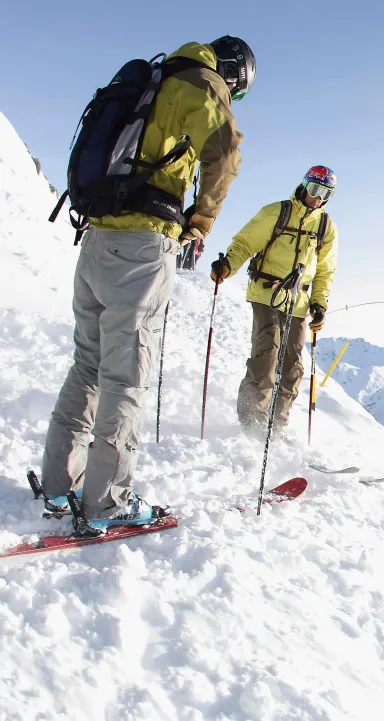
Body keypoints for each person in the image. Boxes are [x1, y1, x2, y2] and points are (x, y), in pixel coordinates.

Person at [40, 36, 253, 536]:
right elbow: (224, 154)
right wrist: (199, 222)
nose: (231, 96)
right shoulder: (202, 84)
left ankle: (57, 484)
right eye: (237, 90)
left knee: (88, 364)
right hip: (140, 246)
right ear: (233, 73)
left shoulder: (150, 80)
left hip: (95, 240)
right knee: (126, 376)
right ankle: (106, 502)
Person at [210, 166, 339, 433]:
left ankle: (277, 425)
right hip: (267, 292)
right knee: (267, 355)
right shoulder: (276, 212)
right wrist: (228, 265)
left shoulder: (326, 227)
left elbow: (325, 271)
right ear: (305, 186)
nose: (319, 198)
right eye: (315, 190)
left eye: (326, 194)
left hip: (299, 301)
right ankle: (251, 420)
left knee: (293, 365)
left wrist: (319, 303)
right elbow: (245, 243)